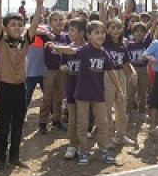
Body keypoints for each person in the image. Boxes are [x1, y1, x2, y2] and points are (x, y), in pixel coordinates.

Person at [48, 21, 120, 166]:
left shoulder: (104, 53)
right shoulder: (85, 50)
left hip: (98, 94)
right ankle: (83, 151)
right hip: (82, 94)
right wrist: (56, 47)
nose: (100, 36)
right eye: (96, 33)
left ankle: (103, 150)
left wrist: (119, 89)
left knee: (103, 123)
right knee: (82, 124)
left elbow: (111, 72)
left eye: (102, 33)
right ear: (88, 35)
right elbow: (71, 51)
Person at [0, 0, 43, 169]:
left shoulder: (25, 42)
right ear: (6, 28)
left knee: (18, 125)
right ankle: (0, 159)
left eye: (20, 25)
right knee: (3, 126)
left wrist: (39, 4)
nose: (17, 27)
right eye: (13, 25)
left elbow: (35, 25)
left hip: (21, 88)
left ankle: (15, 157)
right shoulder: (1, 42)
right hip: (5, 88)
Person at [102, 17, 136, 146]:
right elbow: (100, 22)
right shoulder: (105, 43)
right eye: (112, 27)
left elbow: (126, 61)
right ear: (107, 30)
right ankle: (108, 136)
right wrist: (104, 12)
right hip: (107, 75)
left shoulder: (122, 44)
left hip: (121, 74)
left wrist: (133, 71)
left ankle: (121, 135)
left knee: (121, 106)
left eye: (118, 27)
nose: (116, 30)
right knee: (107, 107)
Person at [38, 10, 70, 134]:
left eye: (61, 19)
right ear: (50, 23)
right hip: (49, 70)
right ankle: (43, 122)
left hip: (62, 70)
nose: (58, 22)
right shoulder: (47, 35)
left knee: (59, 97)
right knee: (47, 97)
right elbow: (31, 30)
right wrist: (45, 32)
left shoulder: (66, 36)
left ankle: (57, 120)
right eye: (55, 20)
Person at [60, 17, 87, 160]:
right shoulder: (66, 49)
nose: (69, 32)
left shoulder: (88, 48)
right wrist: (63, 67)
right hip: (71, 87)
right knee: (72, 119)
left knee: (83, 119)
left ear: (82, 32)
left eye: (73, 30)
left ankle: (83, 146)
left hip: (84, 89)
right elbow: (62, 64)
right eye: (69, 29)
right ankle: (72, 145)